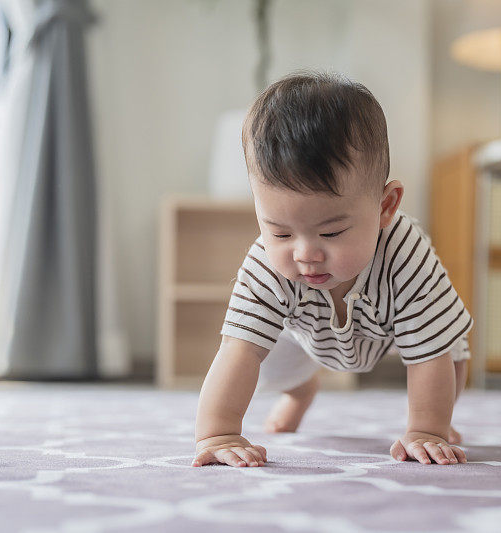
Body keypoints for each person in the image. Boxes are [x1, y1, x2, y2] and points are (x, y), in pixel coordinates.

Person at [193, 71, 474, 468]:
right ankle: (301, 391)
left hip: (390, 324)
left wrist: (427, 429)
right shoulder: (266, 266)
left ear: (385, 207)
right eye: (280, 231)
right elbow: (237, 351)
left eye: (331, 231)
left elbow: (429, 354)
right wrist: (218, 433)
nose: (306, 253)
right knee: (266, 368)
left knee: (450, 352)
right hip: (301, 332)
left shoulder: (404, 253)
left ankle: (436, 419)